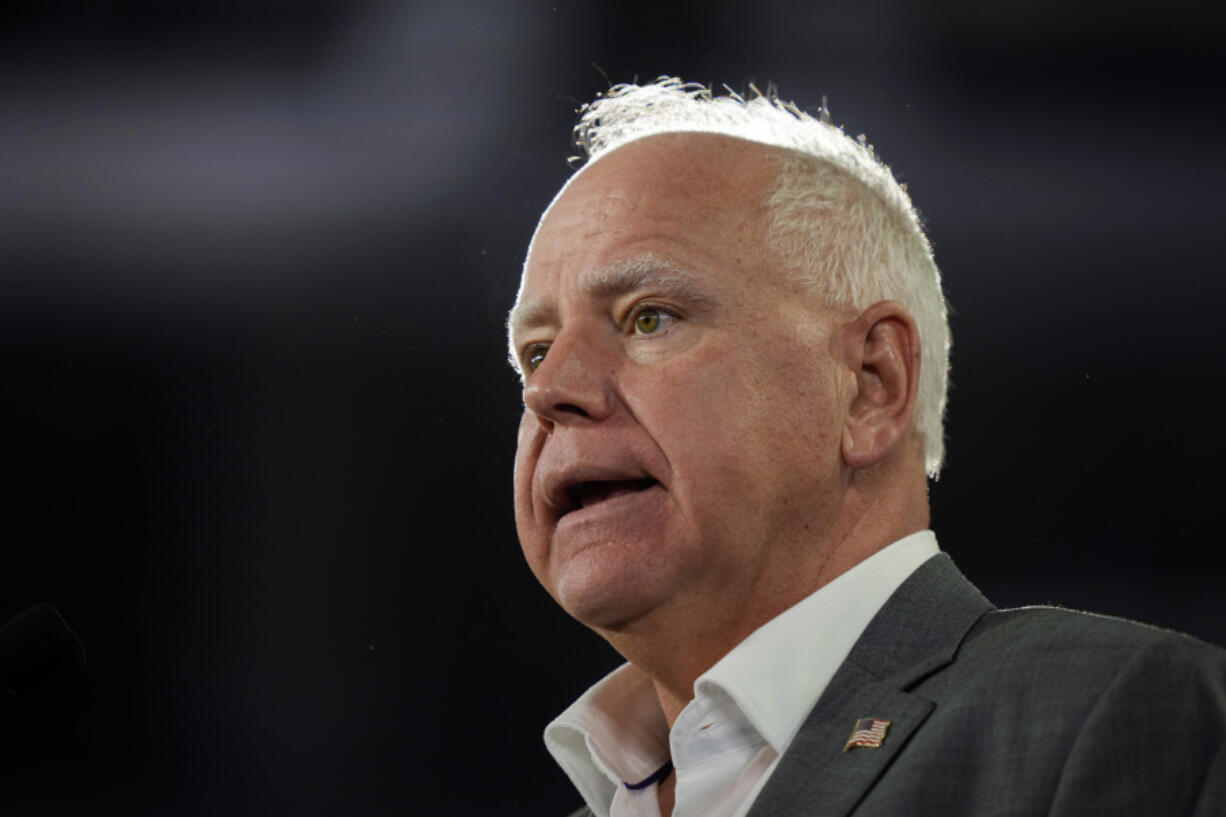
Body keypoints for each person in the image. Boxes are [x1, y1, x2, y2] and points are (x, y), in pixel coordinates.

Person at [505, 77, 1226, 817]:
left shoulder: (1103, 714)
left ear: (871, 384)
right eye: (535, 350)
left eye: (648, 317)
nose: (549, 388)